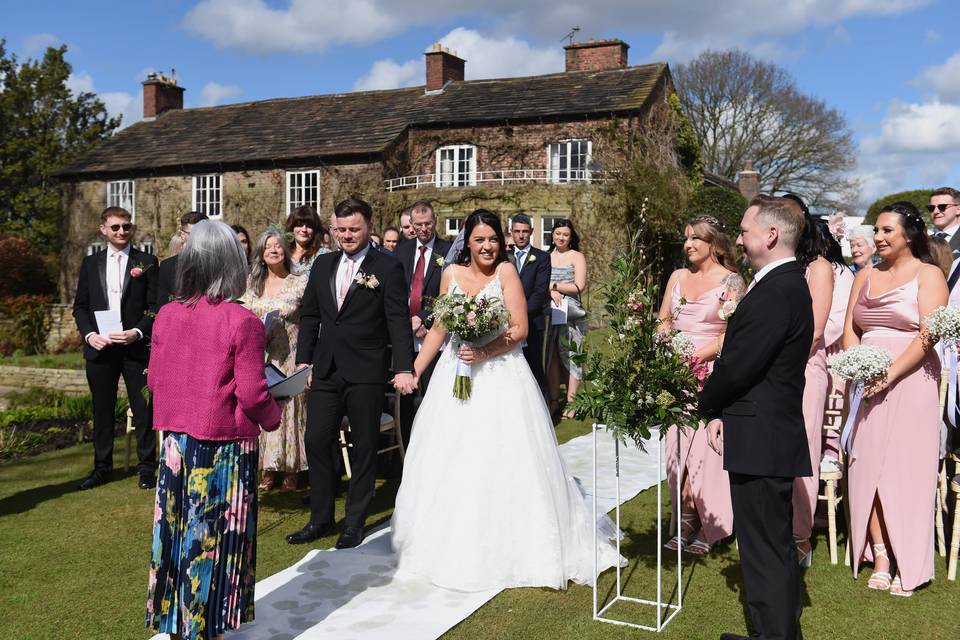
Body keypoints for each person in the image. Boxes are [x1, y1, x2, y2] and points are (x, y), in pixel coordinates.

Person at [390, 209, 620, 591]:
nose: (487, 246)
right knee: (452, 454)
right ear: (467, 241)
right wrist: (414, 369)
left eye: (493, 239)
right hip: (455, 373)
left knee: (504, 453)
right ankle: (447, 542)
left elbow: (520, 327)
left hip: (501, 373)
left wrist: (485, 351)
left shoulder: (507, 272)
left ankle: (513, 543)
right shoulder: (450, 275)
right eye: (479, 239)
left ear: (502, 241)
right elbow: (439, 328)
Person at [145, 219, 281, 640]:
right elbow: (255, 394)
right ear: (233, 264)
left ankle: (176, 623)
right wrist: (276, 415)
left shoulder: (167, 314)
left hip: (175, 444)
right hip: (223, 447)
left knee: (175, 530)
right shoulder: (241, 321)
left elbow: (153, 380)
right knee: (215, 539)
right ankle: (206, 626)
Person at [699, 195, 813, 640]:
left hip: (762, 435)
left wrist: (704, 403)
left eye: (744, 231)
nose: (739, 240)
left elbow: (741, 362)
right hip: (765, 430)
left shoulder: (778, 288)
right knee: (770, 548)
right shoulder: (782, 284)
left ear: (770, 234)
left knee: (764, 551)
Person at [288, 197, 415, 549]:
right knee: (316, 439)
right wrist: (304, 362)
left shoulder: (387, 268)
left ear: (369, 227)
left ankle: (354, 522)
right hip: (325, 369)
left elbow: (397, 320)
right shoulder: (323, 264)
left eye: (354, 229)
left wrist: (404, 367)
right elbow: (310, 315)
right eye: (341, 229)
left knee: (363, 446)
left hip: (366, 370)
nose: (347, 235)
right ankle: (321, 518)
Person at [844, 201, 946, 597]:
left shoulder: (928, 274)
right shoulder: (866, 274)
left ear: (910, 235)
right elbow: (852, 325)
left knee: (905, 470)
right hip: (866, 382)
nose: (879, 238)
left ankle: (910, 560)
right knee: (866, 465)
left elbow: (928, 335)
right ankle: (882, 555)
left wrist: (889, 374)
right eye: (878, 231)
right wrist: (857, 364)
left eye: (888, 231)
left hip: (911, 379)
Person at [657, 215, 744, 554]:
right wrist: (665, 342)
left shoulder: (733, 282)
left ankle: (713, 525)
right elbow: (664, 318)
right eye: (686, 238)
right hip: (674, 372)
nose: (689, 244)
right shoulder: (678, 276)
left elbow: (733, 334)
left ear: (713, 243)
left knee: (707, 452)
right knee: (676, 448)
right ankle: (686, 517)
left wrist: (695, 356)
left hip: (710, 371)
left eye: (696, 238)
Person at [73, 206, 159, 490]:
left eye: (126, 226)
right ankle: (102, 468)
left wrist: (137, 332)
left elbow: (154, 308)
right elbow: (81, 308)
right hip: (101, 349)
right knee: (102, 410)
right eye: (115, 228)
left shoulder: (146, 262)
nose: (122, 232)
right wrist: (89, 336)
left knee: (144, 408)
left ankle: (147, 468)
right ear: (103, 229)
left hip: (135, 349)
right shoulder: (90, 264)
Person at [783, 195, 835, 569]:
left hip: (802, 370)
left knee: (801, 450)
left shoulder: (817, 268)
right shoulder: (770, 268)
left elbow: (815, 331)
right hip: (770, 373)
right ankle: (771, 529)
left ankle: (801, 535)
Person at [242, 228, 309, 492]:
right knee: (264, 409)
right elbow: (242, 309)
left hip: (290, 354)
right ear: (260, 252)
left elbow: (299, 310)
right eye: (268, 246)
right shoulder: (251, 283)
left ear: (286, 250)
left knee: (290, 411)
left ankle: (291, 469)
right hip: (260, 356)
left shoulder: (299, 280)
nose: (273, 250)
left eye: (278, 246)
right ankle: (268, 468)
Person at [396, 200, 452, 447]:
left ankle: (435, 444)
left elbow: (449, 293)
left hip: (434, 332)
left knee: (433, 391)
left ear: (435, 221)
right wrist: (406, 321)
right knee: (406, 394)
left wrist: (424, 318)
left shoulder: (448, 251)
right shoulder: (402, 250)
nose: (423, 229)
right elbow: (395, 290)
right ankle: (407, 445)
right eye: (418, 224)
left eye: (428, 223)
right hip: (405, 333)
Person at [545, 219, 588, 421]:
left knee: (571, 353)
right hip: (550, 311)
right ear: (552, 235)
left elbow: (579, 286)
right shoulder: (545, 257)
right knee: (552, 354)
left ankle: (572, 402)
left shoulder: (576, 256)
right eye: (558, 233)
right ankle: (554, 400)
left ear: (571, 238)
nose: (561, 237)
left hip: (570, 312)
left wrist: (555, 287)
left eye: (565, 234)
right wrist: (549, 290)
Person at [508, 214, 551, 394]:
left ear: (531, 232)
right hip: (506, 324)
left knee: (534, 368)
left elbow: (540, 292)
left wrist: (519, 315)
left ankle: (544, 412)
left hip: (533, 322)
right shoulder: (504, 256)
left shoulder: (541, 257)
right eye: (517, 231)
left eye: (525, 231)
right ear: (511, 232)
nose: (521, 235)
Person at [157, 211, 207, 309]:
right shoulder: (167, 266)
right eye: (193, 234)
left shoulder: (221, 263)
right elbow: (163, 306)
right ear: (183, 235)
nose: (199, 238)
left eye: (203, 233)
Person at [286, 204, 331, 275]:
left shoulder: (324, 255)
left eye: (309, 226)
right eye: (299, 225)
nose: (304, 229)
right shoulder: (282, 252)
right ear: (292, 227)